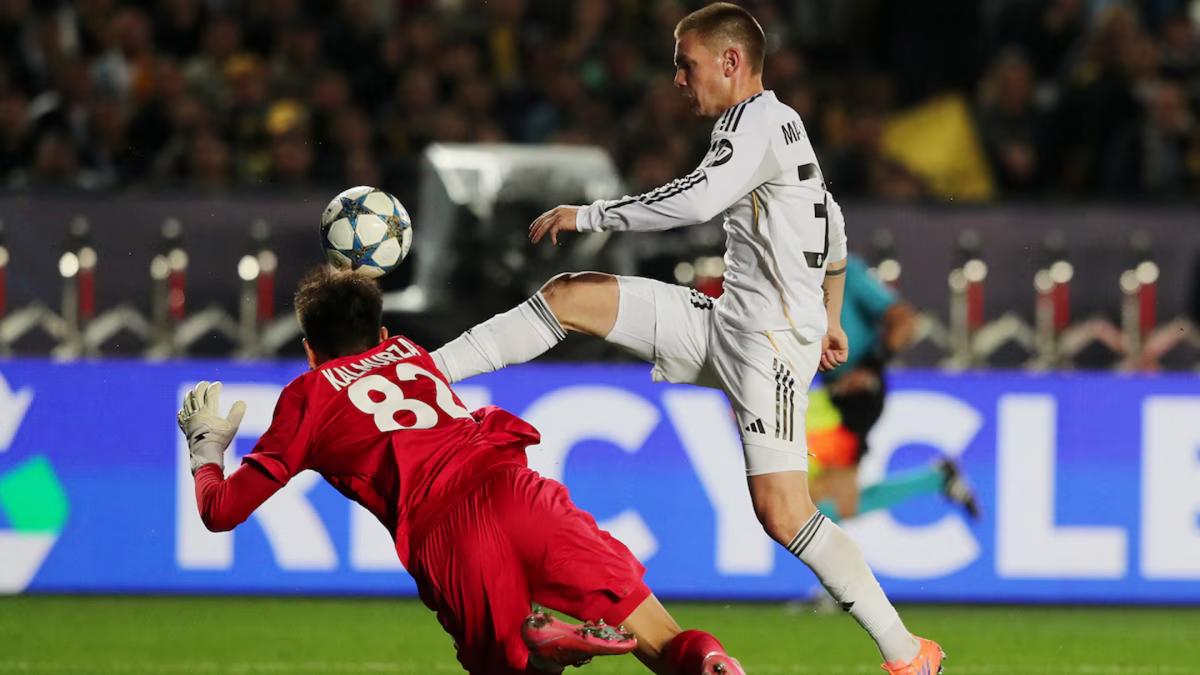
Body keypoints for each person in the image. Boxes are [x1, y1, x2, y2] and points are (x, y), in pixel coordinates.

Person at [431, 4, 944, 674]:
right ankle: (421, 372)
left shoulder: (756, 122)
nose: (678, 79)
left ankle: (908, 653)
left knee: (785, 513)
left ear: (731, 62)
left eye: (687, 64)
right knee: (571, 297)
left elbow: (698, 201)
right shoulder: (783, 125)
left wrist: (591, 213)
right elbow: (836, 231)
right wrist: (836, 315)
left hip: (767, 346)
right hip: (726, 323)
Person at [178, 266, 745, 675]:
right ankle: (710, 662)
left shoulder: (308, 395)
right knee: (667, 644)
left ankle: (547, 652)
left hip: (449, 534)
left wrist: (206, 448)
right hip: (518, 490)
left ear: (309, 351)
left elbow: (221, 511)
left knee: (512, 669)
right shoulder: (408, 354)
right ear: (381, 335)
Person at [807, 254, 980, 523]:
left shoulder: (844, 270)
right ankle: (937, 478)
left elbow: (905, 320)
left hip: (854, 399)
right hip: (825, 398)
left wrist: (870, 366)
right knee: (819, 505)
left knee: (821, 506)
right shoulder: (787, 269)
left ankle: (937, 478)